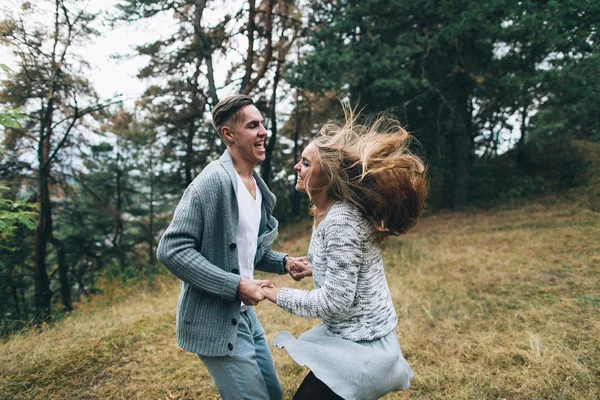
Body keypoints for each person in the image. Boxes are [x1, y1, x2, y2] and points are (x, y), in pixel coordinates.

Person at [262, 109, 427, 400]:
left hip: (363, 350)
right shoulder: (323, 211)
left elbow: (335, 301)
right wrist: (313, 267)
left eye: (305, 163)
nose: (297, 168)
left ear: (327, 177)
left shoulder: (341, 220)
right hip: (349, 340)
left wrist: (275, 294)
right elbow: (350, 263)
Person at [156, 94, 311, 400]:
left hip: (243, 315)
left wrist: (284, 263)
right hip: (214, 318)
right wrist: (236, 285)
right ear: (229, 134)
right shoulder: (212, 182)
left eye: (262, 124)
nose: (263, 131)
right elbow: (171, 249)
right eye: (253, 126)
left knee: (273, 392)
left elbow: (246, 252)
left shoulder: (256, 186)